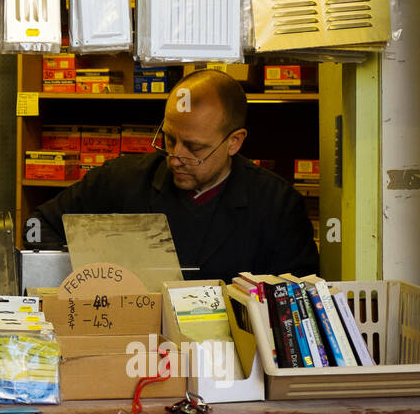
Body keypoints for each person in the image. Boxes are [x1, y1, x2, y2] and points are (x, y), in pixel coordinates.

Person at [27, 69, 319, 281]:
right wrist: (88, 272)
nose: (176, 157)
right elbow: (36, 226)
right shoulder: (121, 180)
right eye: (168, 139)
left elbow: (299, 298)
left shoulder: (277, 205)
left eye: (194, 148)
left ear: (235, 141)